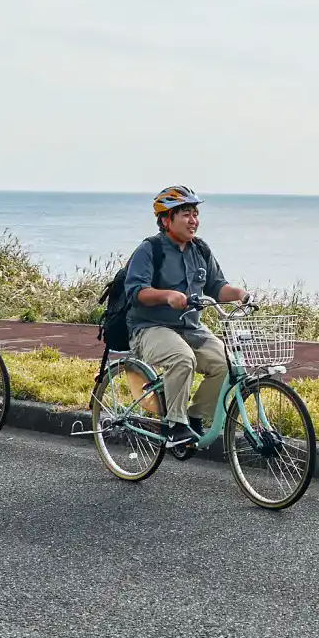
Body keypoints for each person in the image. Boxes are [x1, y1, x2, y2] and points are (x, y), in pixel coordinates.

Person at [124, 185, 247, 445]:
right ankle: (173, 425)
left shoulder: (200, 250)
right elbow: (136, 291)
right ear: (167, 220)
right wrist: (167, 295)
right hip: (149, 327)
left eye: (195, 214)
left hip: (191, 329)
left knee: (226, 365)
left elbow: (217, 287)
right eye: (186, 214)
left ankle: (193, 418)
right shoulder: (150, 249)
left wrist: (240, 293)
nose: (194, 221)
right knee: (182, 358)